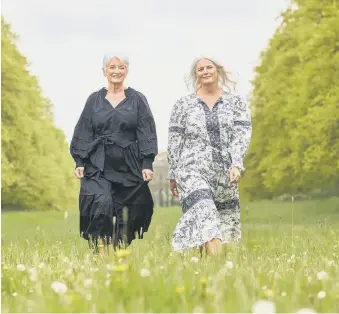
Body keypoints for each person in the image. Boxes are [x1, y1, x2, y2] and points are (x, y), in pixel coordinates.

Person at [70, 53, 158, 256]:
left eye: (121, 67)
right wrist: (79, 161)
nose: (117, 71)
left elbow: (146, 131)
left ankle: (119, 251)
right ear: (104, 71)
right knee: (101, 203)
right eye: (112, 67)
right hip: (97, 164)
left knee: (130, 211)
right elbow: (84, 129)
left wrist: (147, 162)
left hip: (128, 164)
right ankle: (101, 254)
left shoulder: (137, 99)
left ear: (127, 71)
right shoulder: (94, 100)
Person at [167, 56, 252, 256]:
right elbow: (174, 140)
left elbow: (241, 136)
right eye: (200, 69)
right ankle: (219, 264)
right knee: (204, 210)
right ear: (195, 75)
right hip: (191, 169)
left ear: (217, 70)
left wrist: (236, 164)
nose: (205, 71)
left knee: (221, 224)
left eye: (209, 67)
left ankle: (205, 269)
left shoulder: (236, 103)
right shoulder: (183, 105)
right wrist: (173, 173)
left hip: (224, 171)